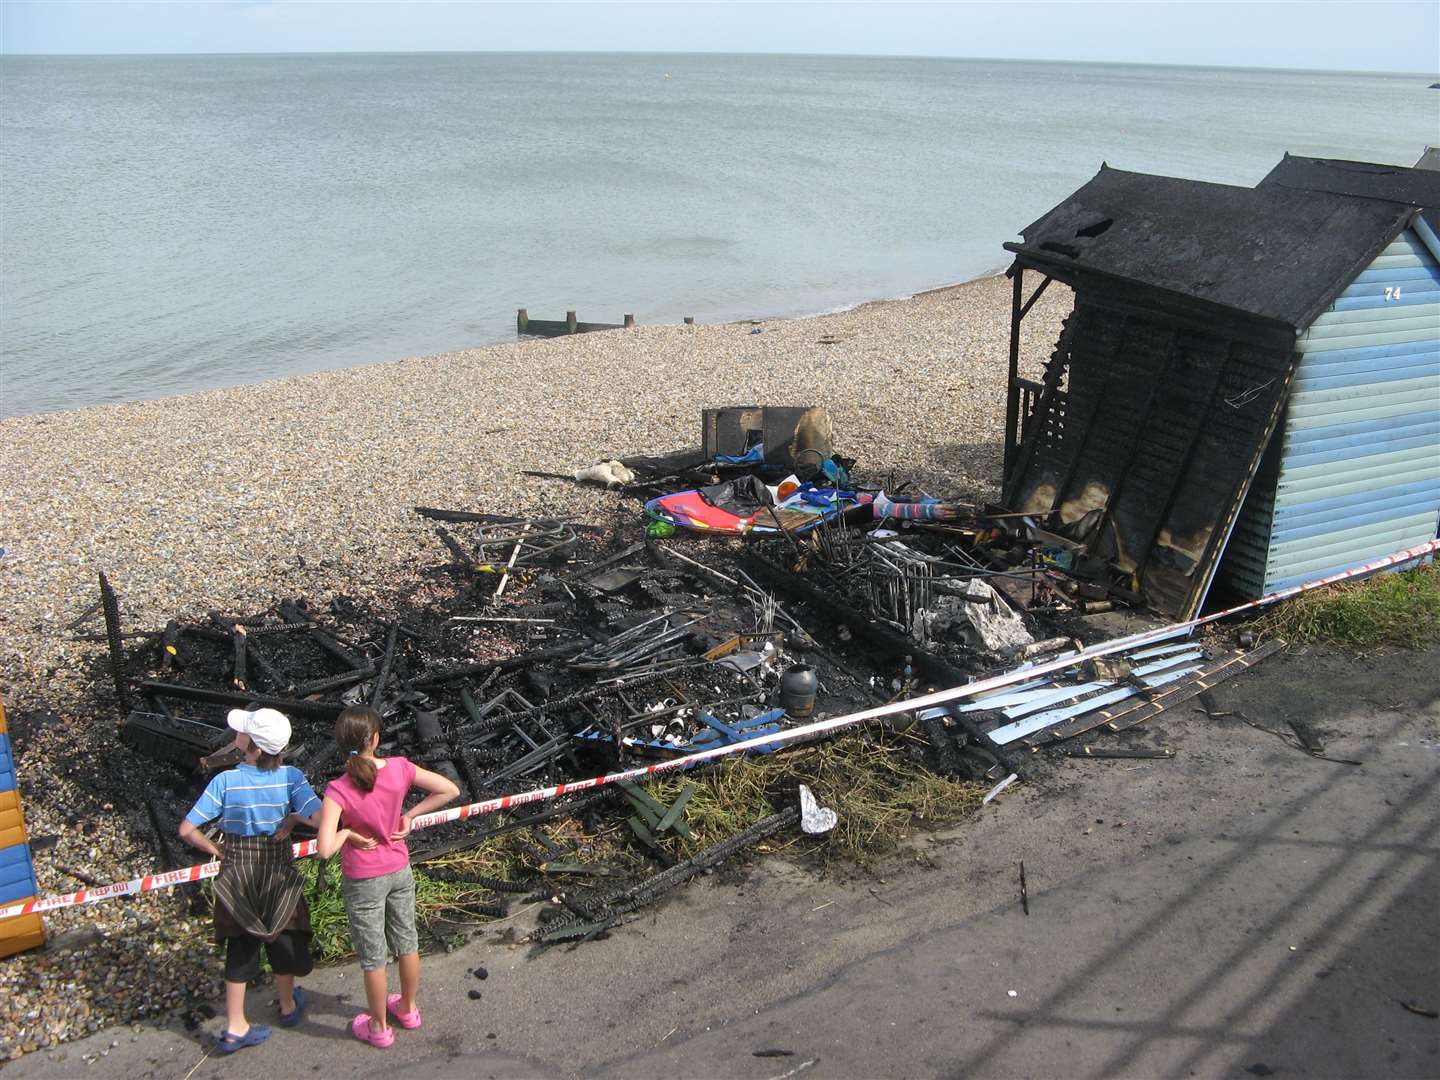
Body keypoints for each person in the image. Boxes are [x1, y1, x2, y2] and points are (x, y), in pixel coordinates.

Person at [178, 707, 321, 1054]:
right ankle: (287, 1005)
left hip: (237, 872)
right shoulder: (291, 778)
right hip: (277, 872)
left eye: (241, 732)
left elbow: (186, 830)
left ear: (250, 744)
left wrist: (217, 848)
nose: (235, 735)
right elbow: (321, 819)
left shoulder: (225, 781)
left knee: (240, 948)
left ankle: (235, 1026)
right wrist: (293, 818)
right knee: (283, 936)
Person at [317, 704, 459, 1048]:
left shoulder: (337, 789)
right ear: (376, 739)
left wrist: (348, 834)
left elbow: (323, 849)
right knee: (407, 941)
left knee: (373, 956)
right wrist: (410, 816)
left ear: (340, 744)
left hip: (363, 878)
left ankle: (379, 1027)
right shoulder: (399, 768)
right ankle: (408, 1009)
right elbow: (449, 790)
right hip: (398, 867)